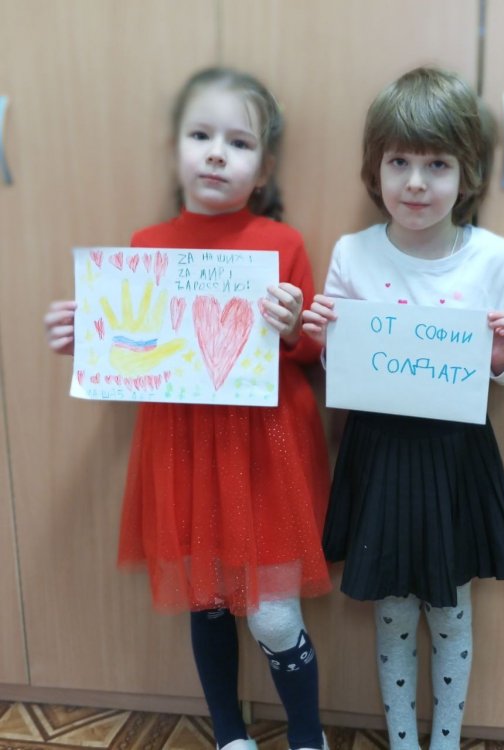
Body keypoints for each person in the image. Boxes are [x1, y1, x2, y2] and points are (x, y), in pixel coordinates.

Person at [44, 67, 330, 750]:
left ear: (263, 170)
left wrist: (295, 327)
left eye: (239, 142)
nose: (216, 154)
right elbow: (135, 350)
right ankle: (230, 734)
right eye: (200, 136)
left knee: (271, 614)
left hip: (263, 452)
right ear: (175, 150)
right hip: (185, 449)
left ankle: (308, 736)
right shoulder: (146, 246)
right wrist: (89, 340)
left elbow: (310, 351)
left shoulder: (282, 243)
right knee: (207, 599)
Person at [302, 67, 504, 750]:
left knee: (452, 609)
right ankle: (404, 740)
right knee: (395, 610)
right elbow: (339, 366)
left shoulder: (494, 258)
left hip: (455, 456)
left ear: (467, 173)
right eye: (399, 161)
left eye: (437, 164)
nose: (415, 183)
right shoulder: (353, 253)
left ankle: (446, 740)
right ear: (375, 168)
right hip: (380, 454)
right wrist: (325, 342)